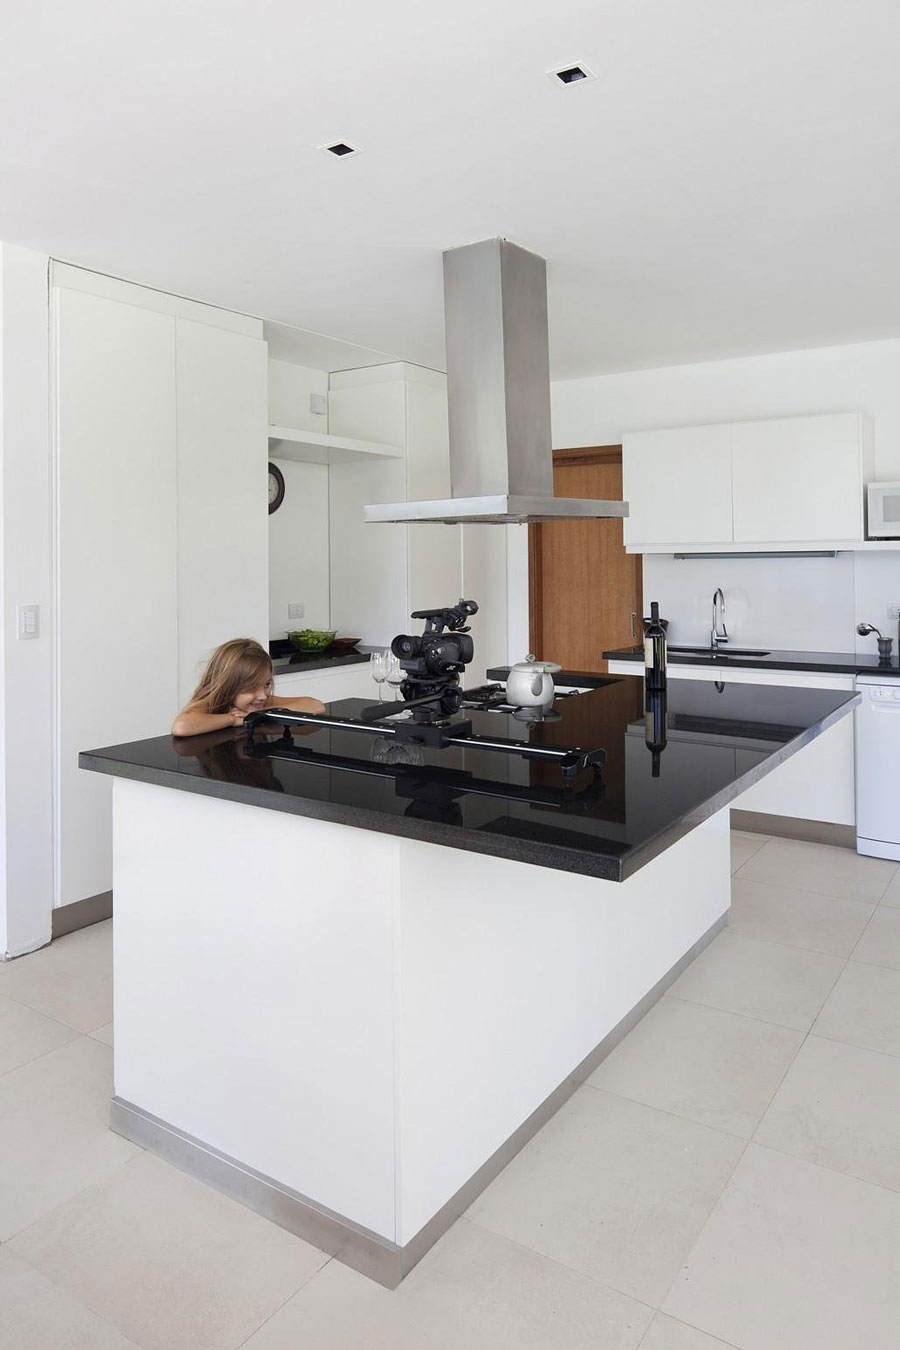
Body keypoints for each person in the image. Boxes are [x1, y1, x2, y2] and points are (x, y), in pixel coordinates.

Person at [172, 637, 325, 737]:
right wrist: (232, 719)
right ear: (227, 687)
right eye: (251, 687)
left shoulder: (263, 703)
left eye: (266, 684)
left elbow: (315, 706)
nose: (263, 695)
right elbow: (182, 726)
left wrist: (261, 714)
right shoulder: (209, 706)